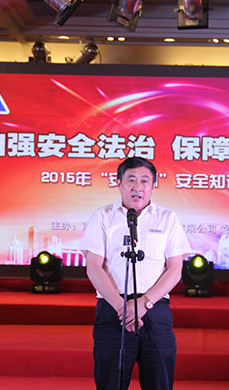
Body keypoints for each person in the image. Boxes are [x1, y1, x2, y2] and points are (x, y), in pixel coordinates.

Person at [81, 157, 192, 390]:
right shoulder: (103, 216)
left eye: (144, 180)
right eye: (131, 180)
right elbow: (94, 267)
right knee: (110, 383)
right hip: (113, 310)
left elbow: (175, 269)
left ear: (154, 185)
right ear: (118, 183)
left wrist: (144, 303)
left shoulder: (168, 218)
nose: (137, 187)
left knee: (159, 382)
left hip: (155, 310)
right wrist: (123, 309)